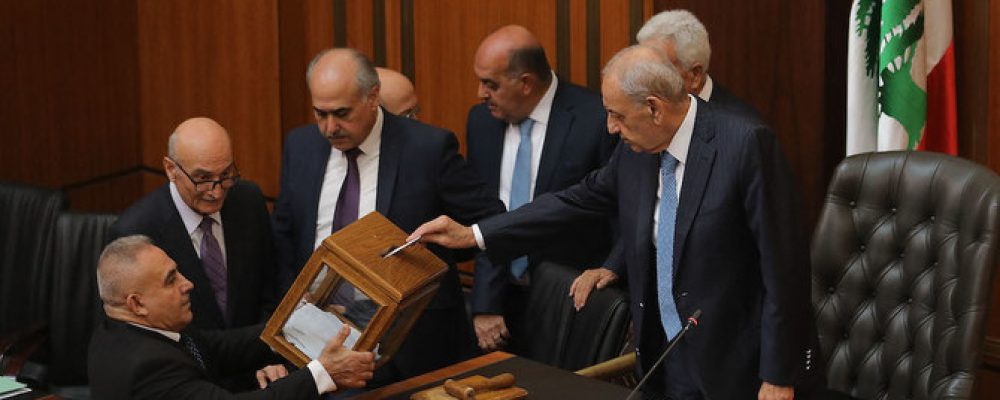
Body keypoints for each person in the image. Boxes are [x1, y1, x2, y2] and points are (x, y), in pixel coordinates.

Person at [409, 45, 820, 400]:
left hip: (737, 365)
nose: (610, 127)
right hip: (661, 355)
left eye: (616, 115)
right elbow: (574, 200)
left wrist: (778, 375)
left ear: (655, 108)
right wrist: (475, 234)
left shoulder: (745, 144)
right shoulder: (635, 152)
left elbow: (784, 270)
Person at [272, 48, 506, 386]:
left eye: (341, 113)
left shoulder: (427, 148)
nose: (329, 127)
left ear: (372, 97)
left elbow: (489, 223)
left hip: (413, 343)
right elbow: (284, 236)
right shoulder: (301, 145)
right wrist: (290, 319)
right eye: (319, 114)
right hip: (318, 340)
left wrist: (486, 304)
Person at [570, 9, 765, 308]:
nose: (644, 75)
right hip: (656, 314)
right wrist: (615, 263)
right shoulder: (643, 123)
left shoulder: (745, 136)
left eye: (658, 66)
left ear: (694, 75)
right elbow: (653, 207)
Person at [465, 25, 617, 352]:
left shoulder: (595, 119)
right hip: (502, 299)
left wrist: (611, 269)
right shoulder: (481, 122)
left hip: (572, 300)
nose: (480, 93)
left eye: (490, 84)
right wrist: (485, 302)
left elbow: (618, 209)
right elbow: (484, 214)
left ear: (526, 83)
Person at [88, 235, 375, 399]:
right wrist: (323, 373)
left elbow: (219, 347)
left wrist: (294, 323)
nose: (187, 284)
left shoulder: (121, 328)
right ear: (136, 304)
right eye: (171, 280)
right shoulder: (148, 368)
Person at [112, 117, 277, 331]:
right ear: (171, 169)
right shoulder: (136, 230)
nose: (216, 192)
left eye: (226, 174)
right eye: (203, 178)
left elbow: (270, 289)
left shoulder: (248, 200)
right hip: (185, 361)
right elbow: (142, 332)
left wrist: (266, 354)